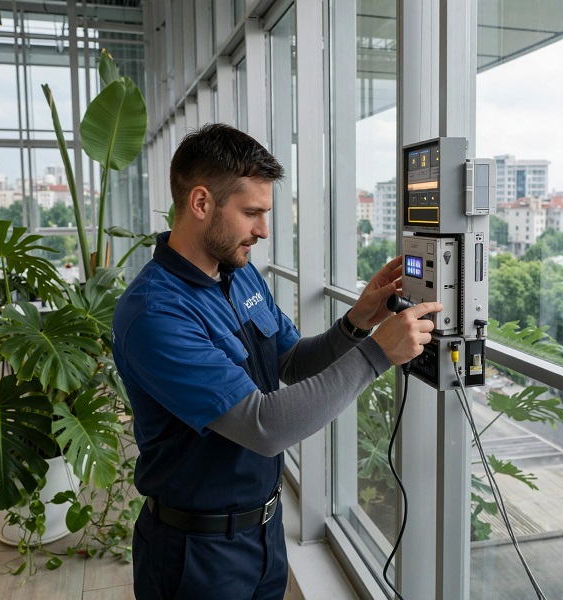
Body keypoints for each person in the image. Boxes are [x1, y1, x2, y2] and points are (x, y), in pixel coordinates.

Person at [111, 123, 441, 600]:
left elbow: (290, 362)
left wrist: (357, 322)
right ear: (201, 203)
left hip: (263, 535)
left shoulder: (240, 275)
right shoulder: (155, 313)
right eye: (252, 213)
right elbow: (263, 426)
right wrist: (376, 354)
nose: (263, 230)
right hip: (196, 555)